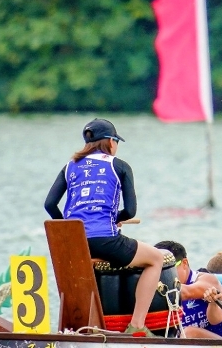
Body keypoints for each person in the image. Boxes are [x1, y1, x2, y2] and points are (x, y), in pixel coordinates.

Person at [44, 119, 164, 336]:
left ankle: (78, 327)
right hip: (106, 240)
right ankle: (137, 326)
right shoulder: (120, 166)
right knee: (155, 259)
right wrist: (115, 218)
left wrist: (68, 229)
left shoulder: (69, 167)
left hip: (76, 244)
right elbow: (130, 211)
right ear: (110, 141)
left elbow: (49, 205)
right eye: (117, 141)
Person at [154, 240, 222, 340]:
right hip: (188, 346)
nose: (162, 274)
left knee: (189, 333)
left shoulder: (207, 280)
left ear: (184, 263)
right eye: (156, 270)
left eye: (167, 269)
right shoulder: (162, 288)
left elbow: (186, 293)